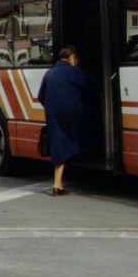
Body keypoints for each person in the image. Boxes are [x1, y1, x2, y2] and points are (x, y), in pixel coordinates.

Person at [37, 45, 89, 196]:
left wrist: (53, 106)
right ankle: (57, 184)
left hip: (53, 115)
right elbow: (90, 84)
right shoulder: (73, 71)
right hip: (71, 114)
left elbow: (41, 96)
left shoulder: (49, 72)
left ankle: (57, 184)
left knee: (60, 145)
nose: (77, 62)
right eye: (77, 59)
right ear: (72, 58)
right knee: (70, 141)